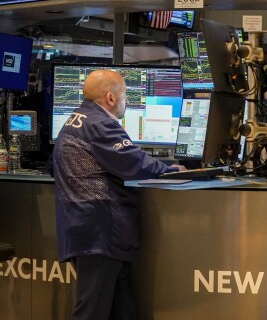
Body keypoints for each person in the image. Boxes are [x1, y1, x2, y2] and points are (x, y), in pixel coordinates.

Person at [51, 69, 185, 320]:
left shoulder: (75, 120)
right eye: (125, 95)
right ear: (110, 98)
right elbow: (134, 164)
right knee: (91, 311)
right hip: (100, 232)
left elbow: (52, 166)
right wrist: (169, 170)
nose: (127, 102)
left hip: (84, 227)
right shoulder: (100, 124)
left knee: (119, 308)